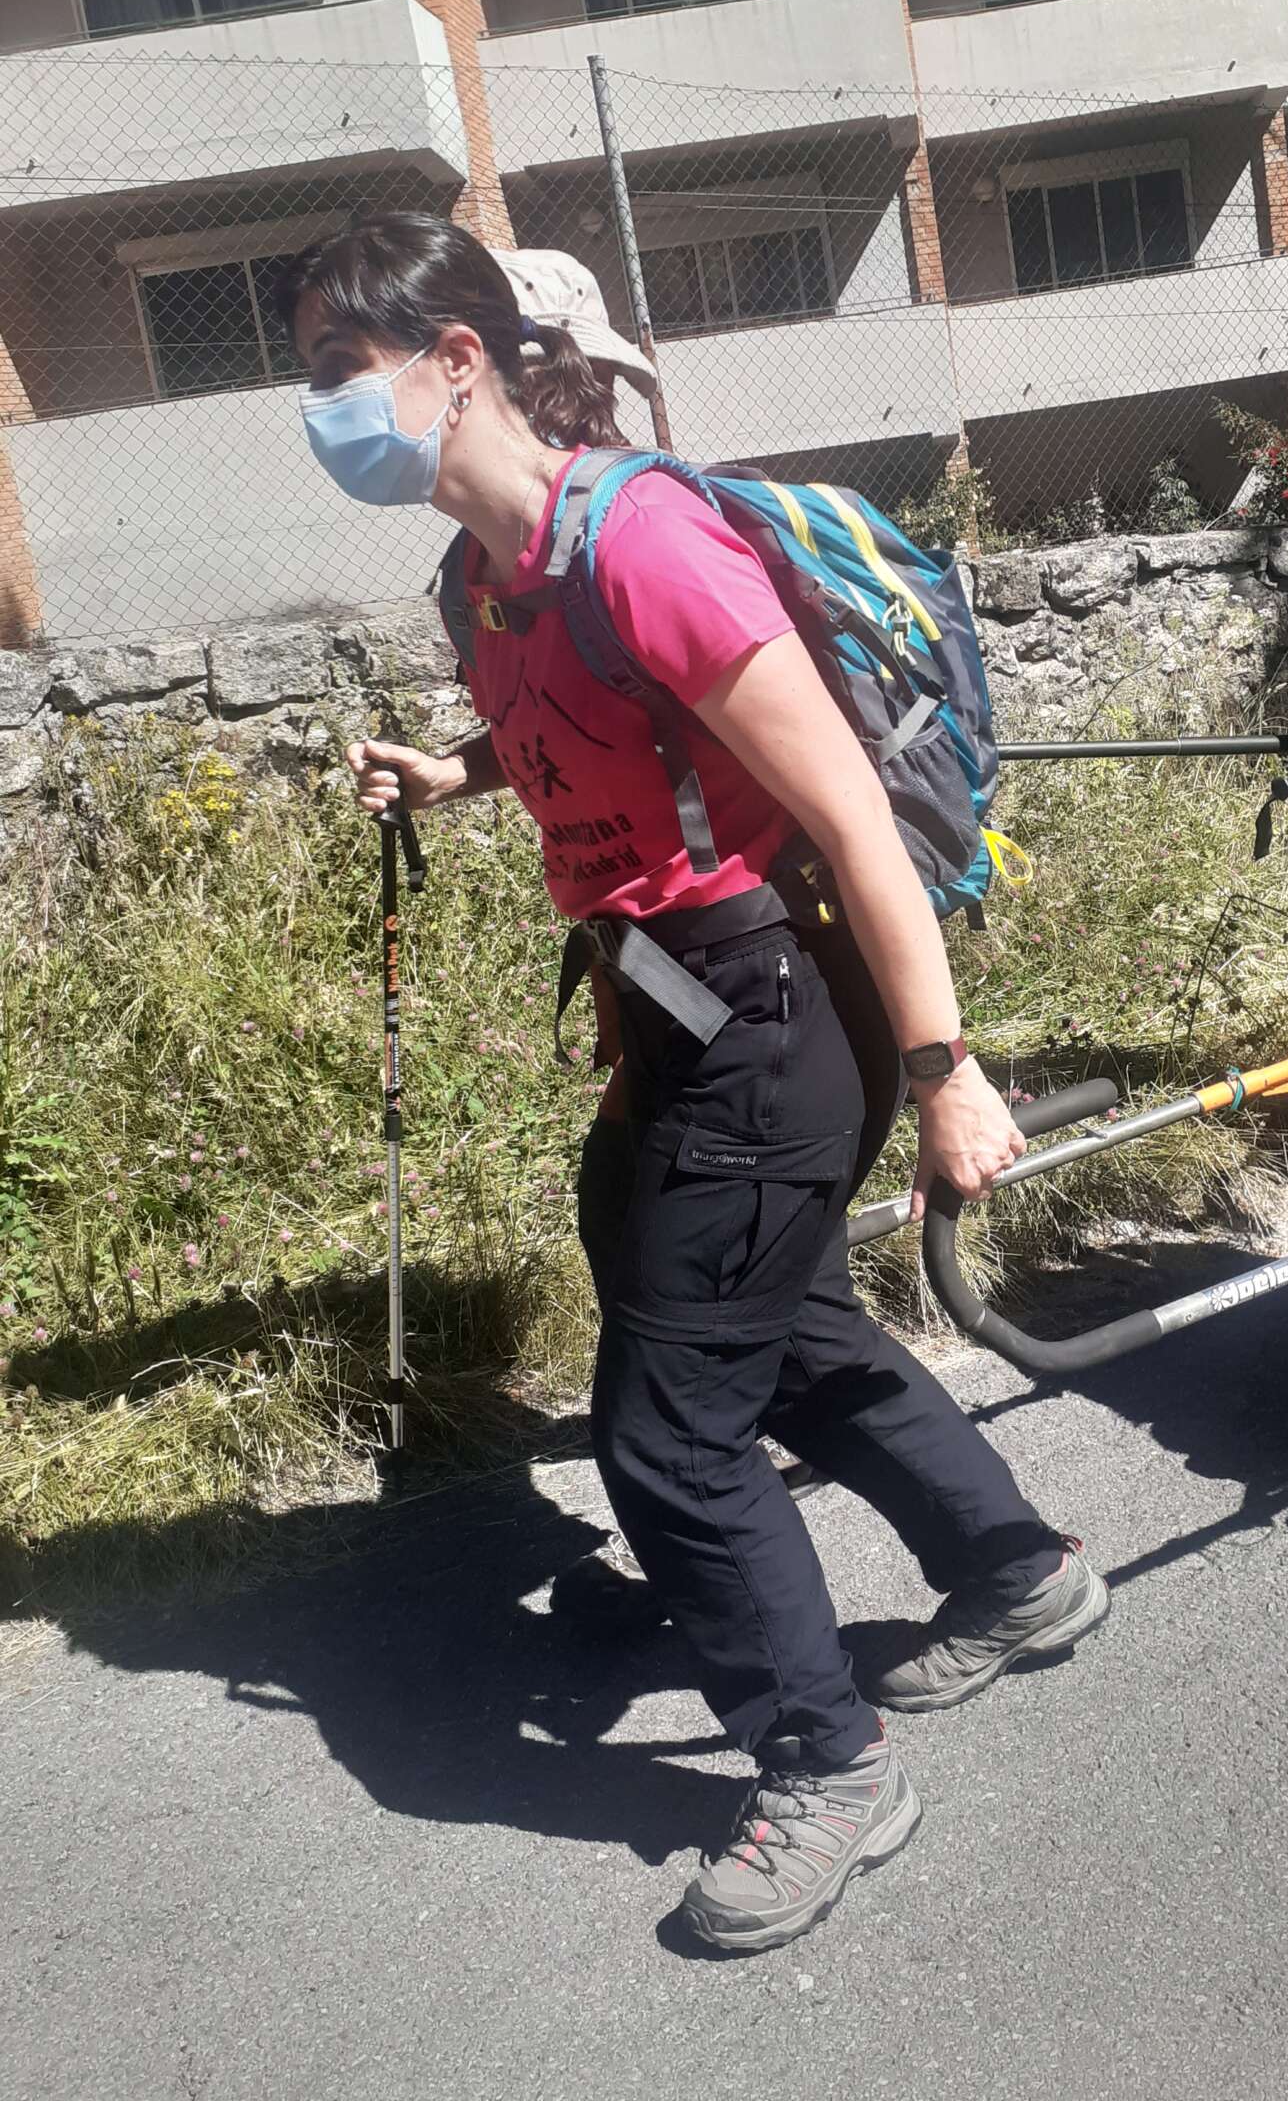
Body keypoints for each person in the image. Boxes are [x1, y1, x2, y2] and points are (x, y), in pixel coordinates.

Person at [283, 215, 1108, 1955]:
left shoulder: (643, 540)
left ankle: (825, 1764)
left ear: (455, 363)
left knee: (667, 1436)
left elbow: (847, 817)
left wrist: (950, 1069)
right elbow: (591, 739)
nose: (319, 417)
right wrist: (450, 777)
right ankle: (1016, 1570)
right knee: (782, 1326)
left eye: (333, 375)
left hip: (773, 1002)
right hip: (667, 1008)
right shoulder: (496, 577)